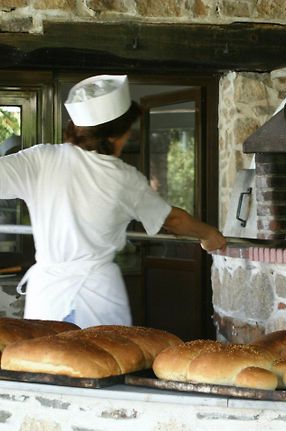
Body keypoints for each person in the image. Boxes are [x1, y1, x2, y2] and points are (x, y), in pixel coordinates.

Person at [0, 74, 226, 328]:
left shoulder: (40, 160)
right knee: (103, 363)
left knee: (47, 364)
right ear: (113, 136)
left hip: (48, 297)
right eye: (127, 132)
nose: (127, 138)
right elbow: (173, 220)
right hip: (95, 299)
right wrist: (209, 234)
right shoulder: (123, 178)